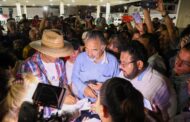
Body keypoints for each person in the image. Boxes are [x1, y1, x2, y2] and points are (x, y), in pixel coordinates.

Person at [20, 29, 76, 118]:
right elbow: (29, 95)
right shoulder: (29, 65)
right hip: (42, 116)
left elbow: (64, 83)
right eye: (54, 53)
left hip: (61, 113)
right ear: (43, 50)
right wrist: (61, 100)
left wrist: (68, 94)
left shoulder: (60, 63)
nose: (57, 56)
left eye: (59, 52)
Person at [119, 40, 176, 120]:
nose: (120, 67)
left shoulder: (156, 83)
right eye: (120, 62)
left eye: (124, 63)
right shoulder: (125, 73)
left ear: (139, 64)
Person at [72, 30, 120, 102]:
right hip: (83, 101)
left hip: (104, 103)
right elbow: (74, 77)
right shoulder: (80, 58)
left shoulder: (113, 62)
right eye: (87, 49)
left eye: (94, 50)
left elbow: (118, 83)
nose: (89, 54)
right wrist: (83, 88)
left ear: (103, 47)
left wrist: (104, 87)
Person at [170, 43, 190, 113]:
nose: (178, 64)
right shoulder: (174, 70)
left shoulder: (187, 87)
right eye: (178, 57)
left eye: (186, 63)